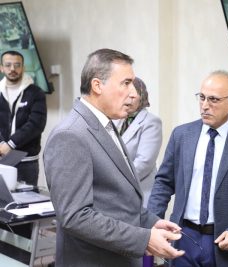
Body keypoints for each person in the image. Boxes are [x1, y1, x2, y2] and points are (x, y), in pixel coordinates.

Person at [43, 48, 184, 267]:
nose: (134, 94)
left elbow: (116, 199)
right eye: (126, 83)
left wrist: (152, 223)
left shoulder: (106, 125)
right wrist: (143, 239)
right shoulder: (70, 135)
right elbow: (75, 216)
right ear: (97, 85)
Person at [148, 70, 228, 266]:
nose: (205, 106)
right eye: (202, 98)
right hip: (182, 237)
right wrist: (154, 224)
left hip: (225, 241)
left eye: (214, 100)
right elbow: (163, 183)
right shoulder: (182, 135)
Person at [0, 50, 47, 186]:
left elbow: (36, 124)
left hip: (27, 162)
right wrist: (2, 145)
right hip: (2, 159)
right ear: (1, 68)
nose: (12, 69)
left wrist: (10, 144)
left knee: (27, 203)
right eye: (8, 65)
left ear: (23, 67)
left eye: (17, 65)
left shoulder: (36, 93)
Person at [114, 77, 162, 207]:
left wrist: (116, 180)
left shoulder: (151, 122)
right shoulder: (117, 119)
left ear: (142, 96)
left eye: (132, 96)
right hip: (117, 193)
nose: (127, 99)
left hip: (140, 191)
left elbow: (144, 162)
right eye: (124, 95)